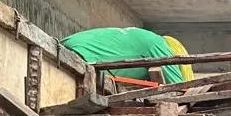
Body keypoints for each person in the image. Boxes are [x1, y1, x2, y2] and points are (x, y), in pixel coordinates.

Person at [60, 26, 194, 84]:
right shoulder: (159, 46)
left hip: (66, 45)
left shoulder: (141, 36)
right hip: (85, 57)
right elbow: (179, 88)